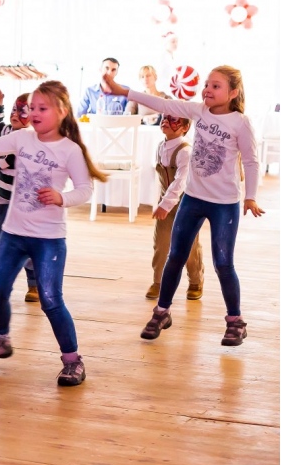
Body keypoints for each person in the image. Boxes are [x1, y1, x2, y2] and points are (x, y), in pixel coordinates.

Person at [0, 81, 109, 387]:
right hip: (13, 234)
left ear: (61, 111)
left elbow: (85, 189)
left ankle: (73, 360)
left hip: (48, 239)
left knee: (50, 299)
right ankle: (0, 339)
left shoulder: (70, 150)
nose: (34, 113)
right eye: (32, 108)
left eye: (42, 108)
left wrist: (62, 197)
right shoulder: (22, 138)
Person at [103, 66, 264, 346]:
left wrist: (250, 196)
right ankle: (162, 312)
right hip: (193, 198)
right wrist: (123, 91)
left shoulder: (241, 123)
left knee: (223, 263)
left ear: (233, 93)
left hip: (224, 204)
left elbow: (251, 161)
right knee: (175, 255)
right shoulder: (199, 111)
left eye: (215, 86)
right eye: (207, 84)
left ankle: (235, 322)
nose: (207, 90)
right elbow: (163, 104)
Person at [0, 89, 39, 303]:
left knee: (27, 244)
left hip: (23, 203)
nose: (15, 115)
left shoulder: (28, 140)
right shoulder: (7, 131)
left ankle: (34, 284)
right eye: (13, 110)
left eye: (22, 112)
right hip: (2, 198)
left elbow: (0, 163)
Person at [145, 114, 204, 301]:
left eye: (174, 120)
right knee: (161, 243)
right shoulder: (160, 146)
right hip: (166, 201)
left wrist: (165, 204)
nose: (166, 122)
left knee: (189, 246)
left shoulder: (185, 151)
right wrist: (163, 203)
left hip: (187, 204)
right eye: (164, 118)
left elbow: (181, 181)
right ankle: (158, 282)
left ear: (185, 128)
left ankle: (195, 281)